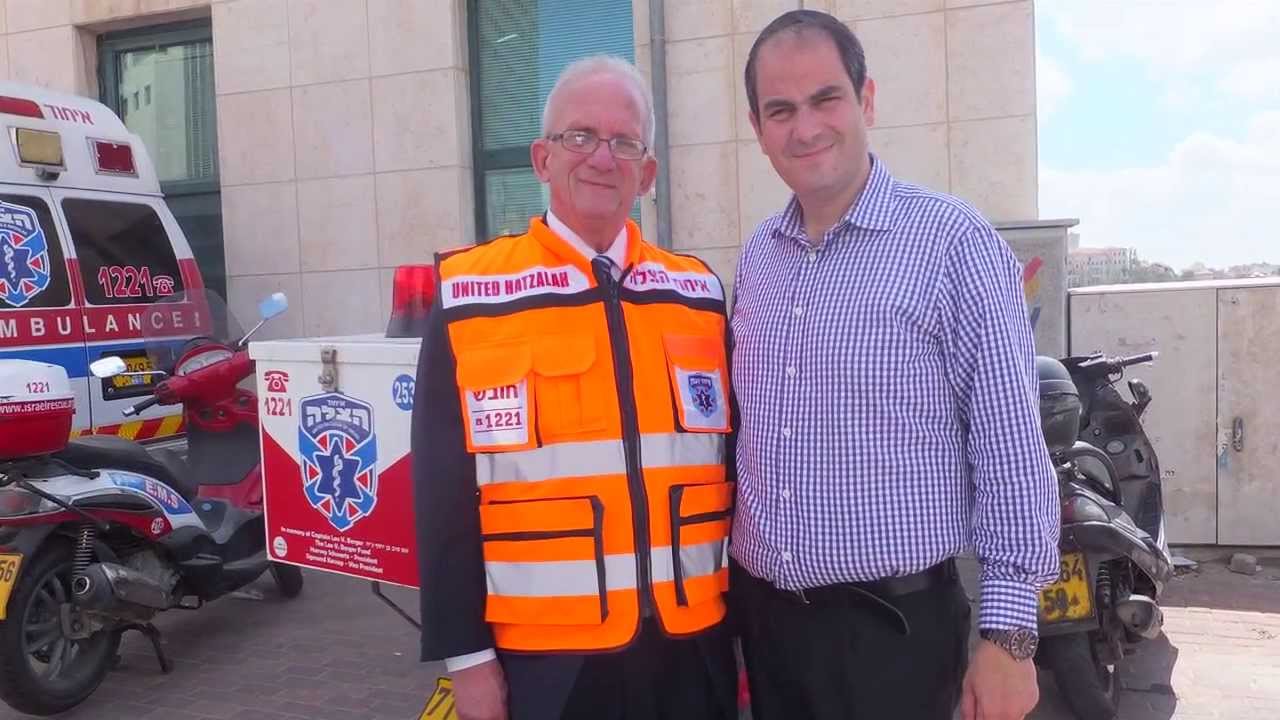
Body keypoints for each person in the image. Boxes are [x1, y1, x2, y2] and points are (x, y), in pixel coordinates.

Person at [727, 10, 1060, 720]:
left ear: (866, 100)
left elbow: (1009, 447)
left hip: (894, 640)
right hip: (768, 632)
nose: (805, 127)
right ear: (758, 129)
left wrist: (1010, 637)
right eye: (780, 110)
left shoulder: (951, 244)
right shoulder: (757, 261)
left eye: (826, 99)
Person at [410, 54, 739, 720]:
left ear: (646, 173)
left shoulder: (698, 293)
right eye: (580, 136)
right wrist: (467, 662)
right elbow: (441, 494)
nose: (602, 158)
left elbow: (736, 469)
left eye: (624, 143)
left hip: (691, 650)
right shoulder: (470, 297)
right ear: (542, 159)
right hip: (547, 665)